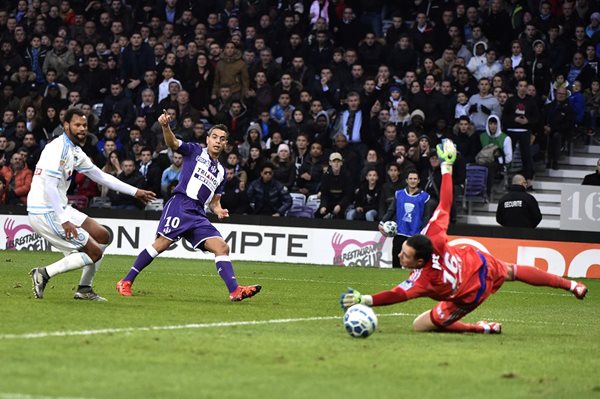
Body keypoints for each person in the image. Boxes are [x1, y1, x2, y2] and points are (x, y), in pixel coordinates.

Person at [340, 139, 587, 334]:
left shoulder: (424, 280)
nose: (399, 255)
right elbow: (446, 203)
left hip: (470, 293)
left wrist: (365, 299)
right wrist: (447, 167)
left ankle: (480, 327)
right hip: (479, 262)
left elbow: (396, 295)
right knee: (513, 271)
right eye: (402, 250)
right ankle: (571, 284)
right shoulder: (433, 236)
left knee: (422, 324)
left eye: (404, 255)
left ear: (418, 263)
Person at [116, 111, 261, 302]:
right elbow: (173, 143)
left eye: (222, 139)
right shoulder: (194, 151)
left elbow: (215, 201)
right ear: (208, 139)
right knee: (161, 245)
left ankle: (235, 291)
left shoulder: (221, 173)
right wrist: (165, 126)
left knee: (222, 247)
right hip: (180, 204)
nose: (218, 141)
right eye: (215, 137)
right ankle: (126, 281)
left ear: (226, 144)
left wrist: (218, 210)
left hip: (199, 213)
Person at [28, 108, 156, 301]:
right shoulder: (58, 149)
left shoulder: (75, 151)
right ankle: (43, 273)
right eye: (77, 125)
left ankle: (84, 289)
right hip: (45, 210)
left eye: (85, 125)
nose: (82, 129)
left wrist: (135, 191)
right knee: (94, 252)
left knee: (103, 235)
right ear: (66, 126)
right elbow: (50, 186)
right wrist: (64, 220)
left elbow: (101, 176)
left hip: (59, 207)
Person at [379, 170, 431, 269]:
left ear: (418, 181)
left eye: (415, 179)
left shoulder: (425, 197)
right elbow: (391, 210)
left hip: (415, 234)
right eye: (410, 179)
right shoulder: (399, 194)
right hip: (400, 232)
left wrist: (423, 231)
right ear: (407, 180)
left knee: (414, 261)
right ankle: (394, 280)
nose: (413, 181)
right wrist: (382, 222)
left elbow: (426, 216)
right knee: (396, 258)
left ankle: (413, 280)